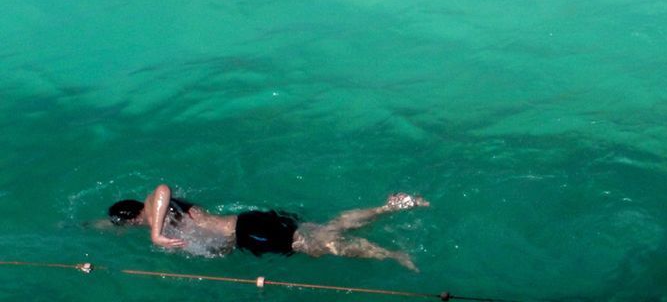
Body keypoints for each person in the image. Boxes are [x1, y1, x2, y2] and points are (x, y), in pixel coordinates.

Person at [106, 185, 430, 270]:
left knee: (319, 246)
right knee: (325, 230)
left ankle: (391, 254)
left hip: (248, 230)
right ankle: (390, 206)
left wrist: (154, 234)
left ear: (133, 218)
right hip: (248, 223)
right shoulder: (158, 213)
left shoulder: (151, 211)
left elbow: (161, 189)